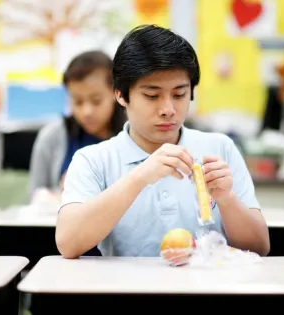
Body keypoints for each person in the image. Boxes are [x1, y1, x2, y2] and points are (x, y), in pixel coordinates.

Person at [56, 25, 270, 259]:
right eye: (152, 96)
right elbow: (68, 243)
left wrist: (226, 199)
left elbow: (260, 247)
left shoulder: (220, 148)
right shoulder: (93, 159)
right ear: (120, 94)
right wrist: (139, 177)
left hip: (208, 291)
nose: (168, 110)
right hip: (126, 292)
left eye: (179, 94)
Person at [29, 50, 126, 201]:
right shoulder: (52, 137)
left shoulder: (136, 135)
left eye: (96, 100)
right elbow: (36, 195)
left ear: (116, 93)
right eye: (77, 101)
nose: (86, 112)